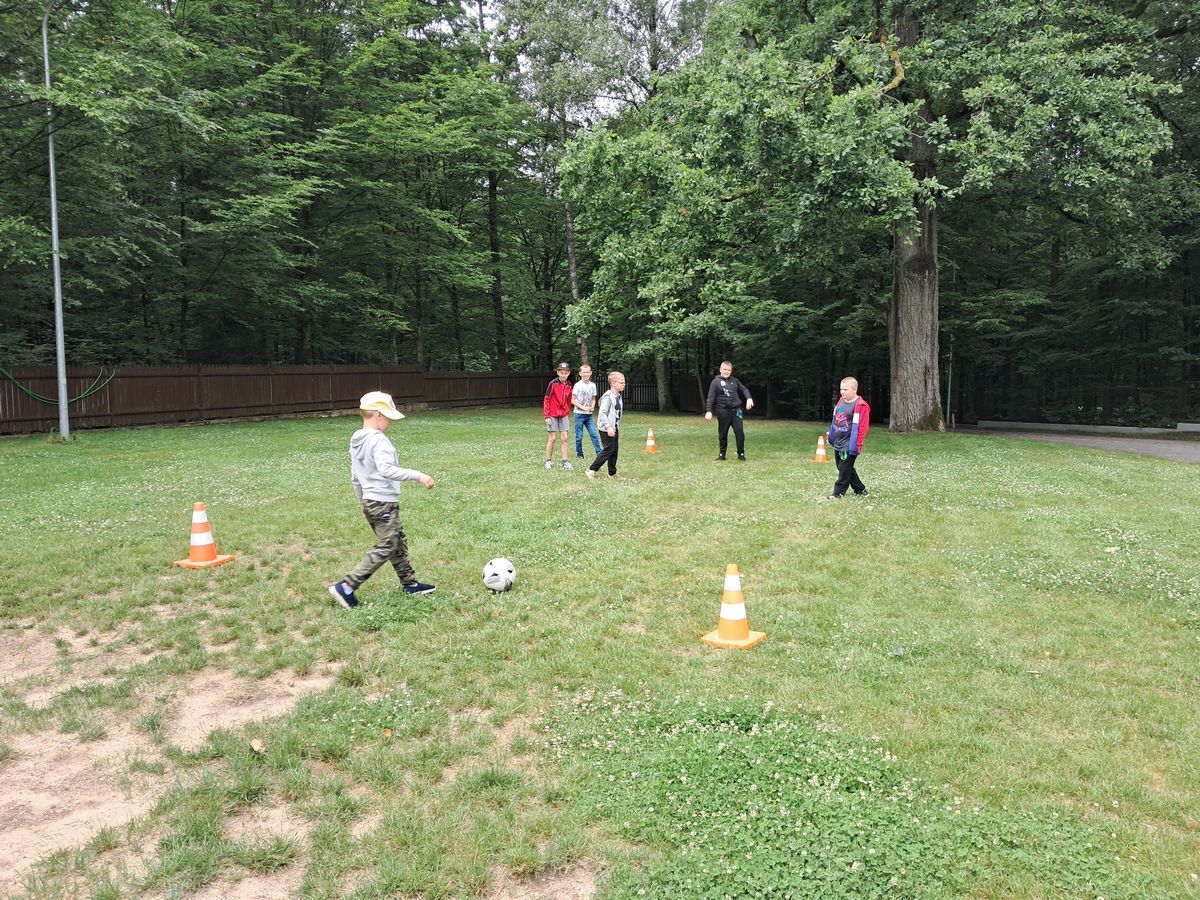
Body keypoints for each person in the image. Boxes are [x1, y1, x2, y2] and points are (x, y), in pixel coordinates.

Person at [328, 391, 436, 609]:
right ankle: (346, 586)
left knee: (397, 541)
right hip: (383, 501)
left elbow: (355, 475)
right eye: (388, 417)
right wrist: (418, 475)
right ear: (377, 415)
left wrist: (362, 501)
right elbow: (386, 469)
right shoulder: (378, 441)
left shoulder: (357, 440)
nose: (389, 422)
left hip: (370, 501)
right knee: (387, 545)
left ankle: (410, 584)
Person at [826, 376, 871, 498]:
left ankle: (838, 493)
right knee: (844, 467)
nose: (842, 392)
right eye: (841, 389)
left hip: (849, 443)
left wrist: (858, 443)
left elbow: (863, 427)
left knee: (844, 469)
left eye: (846, 389)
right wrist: (830, 435)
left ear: (854, 389)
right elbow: (835, 420)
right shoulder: (841, 401)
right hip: (838, 441)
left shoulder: (861, 405)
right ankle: (860, 490)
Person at [704, 361, 754, 460]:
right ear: (720, 370)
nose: (726, 371)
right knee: (723, 433)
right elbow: (711, 397)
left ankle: (741, 454)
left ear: (731, 371)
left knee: (739, 432)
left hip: (736, 411)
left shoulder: (735, 381)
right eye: (725, 369)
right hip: (722, 411)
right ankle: (722, 455)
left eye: (729, 370)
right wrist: (709, 410)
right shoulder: (715, 382)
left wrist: (749, 398)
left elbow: (744, 389)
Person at [586, 371, 625, 479]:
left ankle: (612, 472)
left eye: (624, 383)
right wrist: (608, 427)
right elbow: (602, 413)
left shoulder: (618, 396)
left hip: (614, 427)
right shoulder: (608, 396)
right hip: (606, 428)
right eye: (621, 383)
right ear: (613, 383)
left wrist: (615, 427)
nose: (624, 385)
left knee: (614, 450)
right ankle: (592, 470)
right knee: (608, 449)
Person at [543, 361, 575, 469]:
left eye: (566, 373)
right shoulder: (553, 384)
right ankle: (548, 460)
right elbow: (547, 399)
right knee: (552, 438)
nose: (564, 375)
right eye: (562, 373)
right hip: (552, 414)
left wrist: (567, 412)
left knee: (565, 438)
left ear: (568, 373)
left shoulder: (569, 385)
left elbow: (569, 400)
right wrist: (546, 416)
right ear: (558, 372)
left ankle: (564, 461)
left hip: (563, 414)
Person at [571, 363, 603, 460]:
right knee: (579, 436)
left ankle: (599, 453)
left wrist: (592, 406)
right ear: (580, 373)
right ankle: (579, 454)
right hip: (579, 414)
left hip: (588, 415)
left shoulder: (592, 386)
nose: (586, 374)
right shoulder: (577, 385)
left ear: (591, 373)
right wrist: (583, 408)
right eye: (584, 372)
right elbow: (573, 400)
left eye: (588, 372)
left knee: (594, 434)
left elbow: (593, 398)